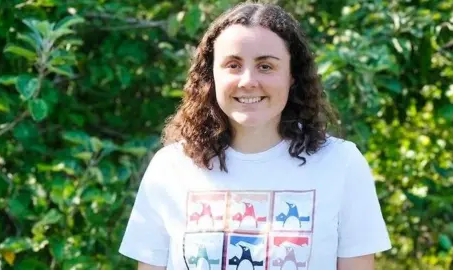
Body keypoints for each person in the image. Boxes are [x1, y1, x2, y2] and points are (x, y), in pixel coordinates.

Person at [119, 2, 391, 270]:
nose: (248, 80)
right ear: (211, 76)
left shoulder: (342, 164)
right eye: (233, 65)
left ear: (292, 76)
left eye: (265, 66)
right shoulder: (170, 168)